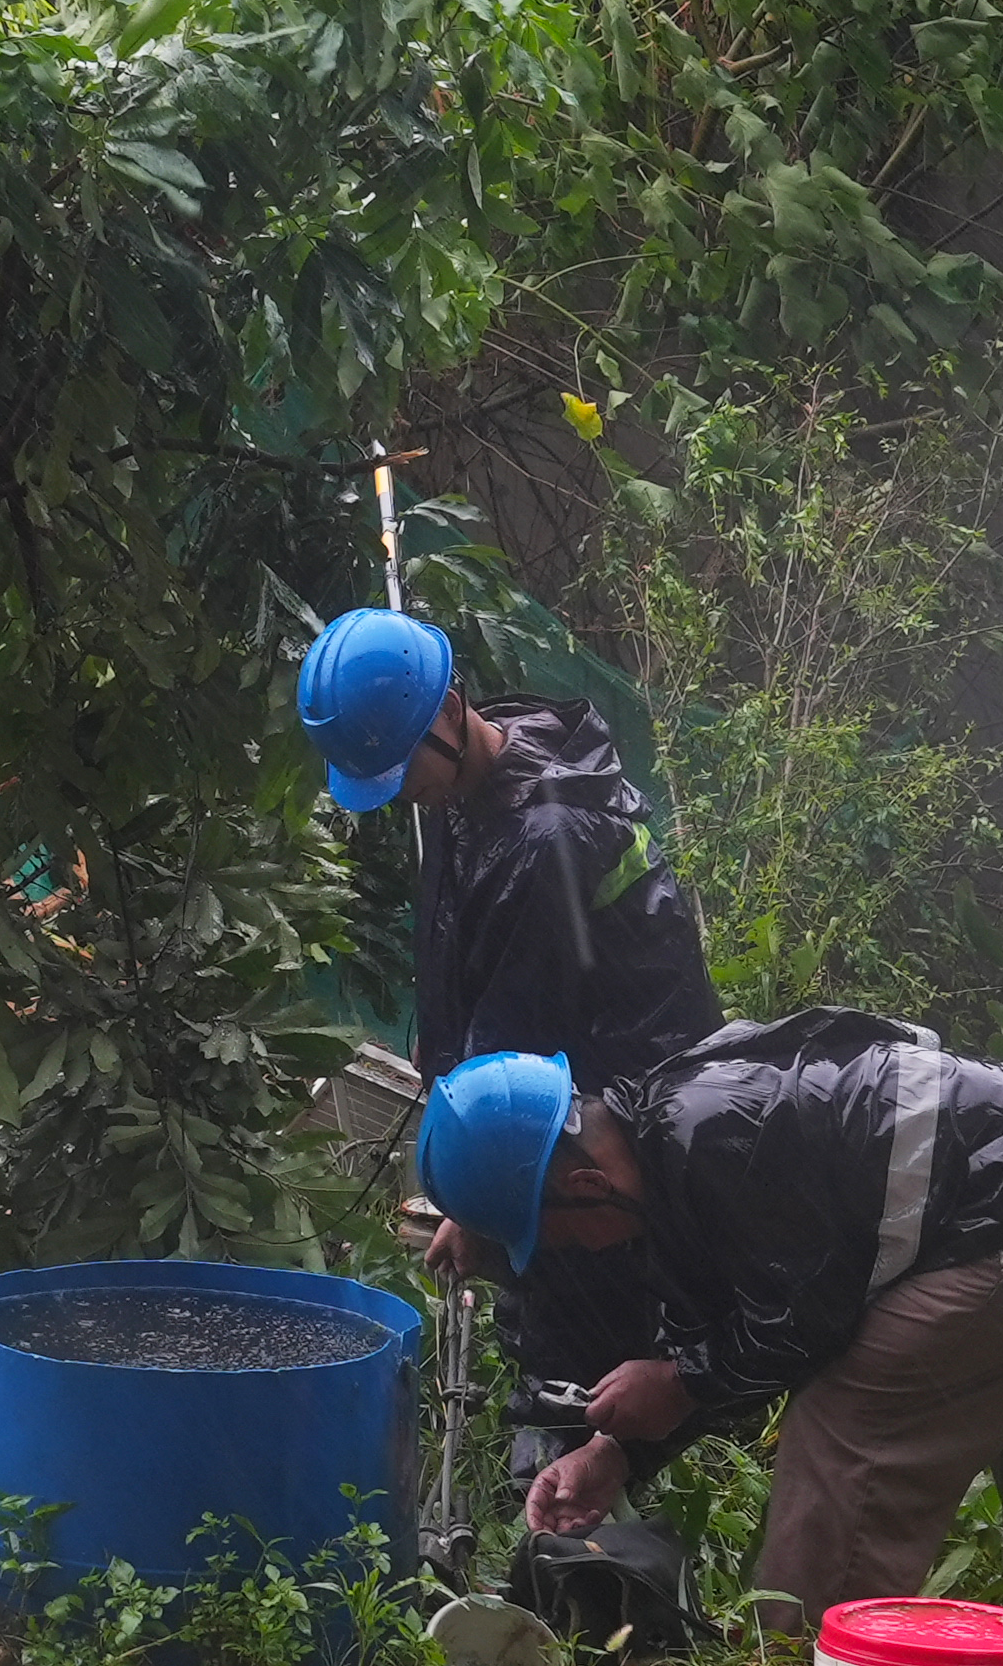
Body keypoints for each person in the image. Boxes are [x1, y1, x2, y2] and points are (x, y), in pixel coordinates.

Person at [416, 1023, 1003, 1645]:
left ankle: (800, 1651)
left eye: (557, 1241)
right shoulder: (662, 1131)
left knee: (853, 1424)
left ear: (584, 1187)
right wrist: (618, 1451)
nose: (579, 1254)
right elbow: (719, 1320)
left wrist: (681, 1383)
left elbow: (805, 1325)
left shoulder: (722, 1140)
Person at [299, 609, 722, 1422]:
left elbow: (522, 1035)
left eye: (401, 768)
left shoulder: (548, 836)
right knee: (541, 1291)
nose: (401, 794)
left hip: (601, 1108)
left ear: (452, 707)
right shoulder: (479, 774)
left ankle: (569, 1496)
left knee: (578, 1327)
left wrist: (473, 1199)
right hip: (550, 1092)